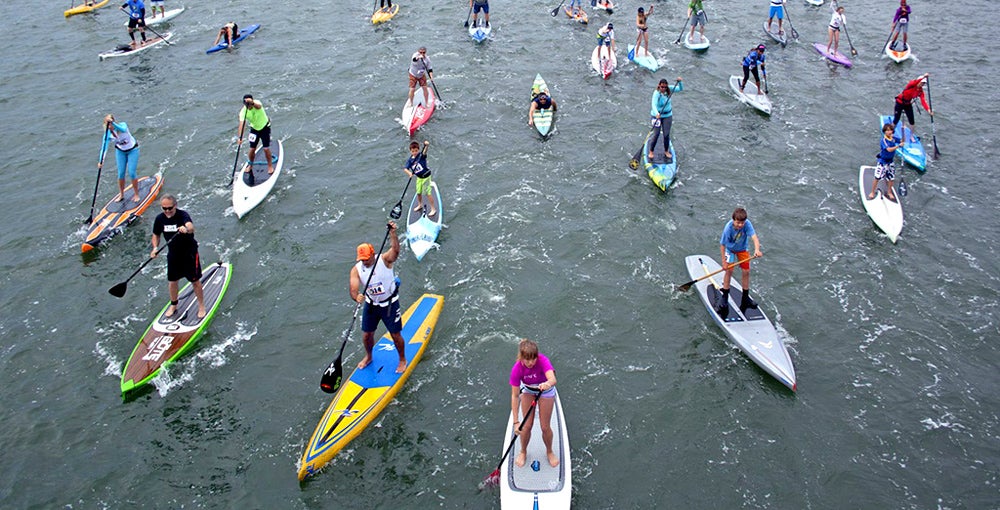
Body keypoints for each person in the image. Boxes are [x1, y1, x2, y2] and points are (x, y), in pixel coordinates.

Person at [349, 222, 407, 374]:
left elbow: (395, 250)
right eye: (362, 259)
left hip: (389, 304)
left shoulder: (384, 259)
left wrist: (393, 233)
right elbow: (353, 288)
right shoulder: (356, 270)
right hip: (372, 305)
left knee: (395, 335)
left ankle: (402, 359)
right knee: (367, 335)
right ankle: (369, 356)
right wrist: (357, 297)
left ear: (372, 254)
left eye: (367, 259)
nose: (364, 262)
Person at [151, 194, 206, 319]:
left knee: (195, 281)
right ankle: (174, 305)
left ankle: (201, 306)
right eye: (164, 208)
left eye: (170, 208)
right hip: (173, 254)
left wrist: (186, 229)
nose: (167, 211)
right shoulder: (159, 219)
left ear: (175, 206)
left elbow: (191, 227)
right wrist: (155, 248)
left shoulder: (183, 215)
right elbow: (156, 235)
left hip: (189, 254)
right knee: (172, 282)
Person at [508, 339, 559, 469]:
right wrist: (515, 422)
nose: (530, 362)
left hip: (545, 391)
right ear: (521, 358)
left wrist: (547, 384)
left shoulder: (543, 360)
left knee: (545, 427)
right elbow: (514, 396)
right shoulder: (517, 369)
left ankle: (549, 451)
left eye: (533, 359)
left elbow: (553, 379)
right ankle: (523, 451)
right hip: (529, 391)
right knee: (526, 426)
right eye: (527, 359)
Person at [717, 207, 763, 315]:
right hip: (730, 250)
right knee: (729, 271)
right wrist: (724, 261)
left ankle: (745, 298)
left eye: (742, 223)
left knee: (746, 272)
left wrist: (757, 250)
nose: (740, 225)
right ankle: (724, 297)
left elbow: (755, 238)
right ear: (733, 220)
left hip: (742, 249)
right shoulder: (728, 228)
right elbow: (722, 245)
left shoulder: (747, 224)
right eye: (738, 223)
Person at [99, 114, 141, 203]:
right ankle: (121, 195)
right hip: (120, 152)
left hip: (133, 150)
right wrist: (101, 161)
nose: (109, 126)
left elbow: (122, 129)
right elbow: (104, 148)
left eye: (110, 124)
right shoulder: (108, 135)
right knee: (121, 174)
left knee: (132, 172)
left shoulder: (122, 125)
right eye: (107, 124)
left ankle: (136, 194)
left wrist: (113, 124)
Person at [237, 94, 275, 175]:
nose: (249, 106)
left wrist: (252, 103)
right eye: (247, 104)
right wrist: (240, 138)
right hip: (254, 129)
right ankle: (250, 165)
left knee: (266, 149)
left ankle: (270, 166)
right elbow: (241, 125)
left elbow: (259, 106)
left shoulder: (256, 103)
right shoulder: (243, 112)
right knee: (252, 149)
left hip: (265, 127)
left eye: (250, 104)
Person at [649, 77, 683, 163]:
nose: (663, 89)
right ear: (659, 86)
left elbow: (681, 89)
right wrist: (656, 113)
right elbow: (653, 104)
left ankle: (666, 151)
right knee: (656, 134)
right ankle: (651, 151)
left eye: (665, 87)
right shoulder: (656, 93)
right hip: (657, 116)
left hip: (667, 115)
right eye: (661, 87)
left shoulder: (670, 89)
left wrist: (680, 82)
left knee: (666, 135)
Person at [892, 73, 932, 143]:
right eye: (921, 83)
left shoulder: (920, 91)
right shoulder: (912, 84)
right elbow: (916, 81)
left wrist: (928, 110)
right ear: (918, 81)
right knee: (896, 120)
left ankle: (911, 136)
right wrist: (924, 76)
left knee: (912, 121)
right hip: (899, 103)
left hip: (908, 104)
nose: (922, 85)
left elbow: (923, 101)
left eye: (923, 84)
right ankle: (891, 133)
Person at [869, 123, 903, 201]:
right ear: (884, 131)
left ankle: (889, 192)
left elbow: (901, 140)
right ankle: (872, 192)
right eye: (887, 130)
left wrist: (903, 131)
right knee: (877, 177)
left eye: (890, 130)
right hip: (882, 161)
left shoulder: (893, 138)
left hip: (890, 162)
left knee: (891, 178)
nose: (889, 132)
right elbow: (889, 149)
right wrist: (898, 146)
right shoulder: (883, 140)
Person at [404, 141, 436, 216]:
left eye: (416, 151)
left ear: (418, 150)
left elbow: (424, 151)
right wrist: (409, 173)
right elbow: (405, 168)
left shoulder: (421, 156)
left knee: (427, 193)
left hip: (426, 177)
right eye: (413, 151)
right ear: (410, 151)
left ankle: (433, 209)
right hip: (419, 178)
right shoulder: (410, 160)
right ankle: (420, 205)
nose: (414, 152)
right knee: (418, 192)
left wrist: (426, 145)